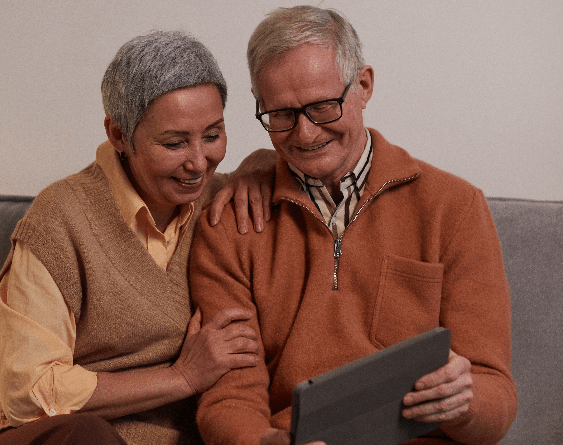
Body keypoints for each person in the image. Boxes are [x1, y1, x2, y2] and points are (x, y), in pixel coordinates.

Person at [189, 6, 518, 445]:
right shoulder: (230, 223)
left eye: (323, 107)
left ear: (363, 86)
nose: (305, 134)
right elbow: (229, 398)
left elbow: (495, 393)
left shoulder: (454, 208)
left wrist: (464, 401)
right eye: (282, 115)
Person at [0, 30, 270, 445]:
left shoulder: (224, 204)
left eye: (212, 135)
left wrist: (266, 168)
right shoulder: (59, 219)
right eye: (174, 143)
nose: (197, 162)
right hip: (43, 435)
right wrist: (181, 377)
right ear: (119, 136)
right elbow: (28, 392)